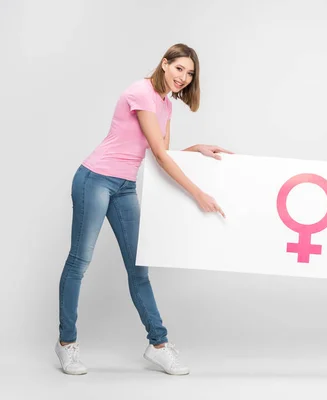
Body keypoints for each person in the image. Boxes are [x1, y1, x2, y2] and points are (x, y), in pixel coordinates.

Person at [55, 43, 232, 375]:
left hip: (124, 187)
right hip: (95, 179)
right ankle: (67, 344)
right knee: (79, 261)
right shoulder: (141, 92)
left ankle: (158, 345)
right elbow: (161, 157)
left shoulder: (166, 104)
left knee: (139, 270)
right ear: (164, 64)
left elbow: (160, 152)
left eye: (190, 73)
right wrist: (198, 193)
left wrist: (197, 149)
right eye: (179, 68)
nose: (183, 77)